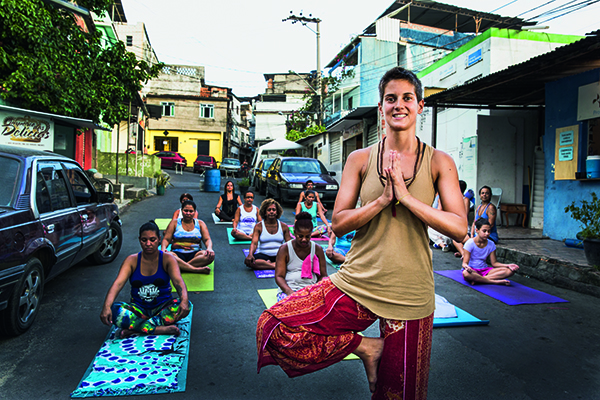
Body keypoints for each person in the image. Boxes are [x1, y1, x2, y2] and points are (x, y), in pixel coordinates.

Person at [256, 67, 467, 399]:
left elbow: (459, 226)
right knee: (276, 327)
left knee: (396, 396)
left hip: (410, 293)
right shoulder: (360, 159)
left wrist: (406, 197)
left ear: (420, 106)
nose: (399, 105)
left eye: (407, 98)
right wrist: (384, 199)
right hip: (358, 280)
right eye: (391, 98)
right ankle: (368, 348)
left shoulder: (440, 161)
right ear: (381, 107)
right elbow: (338, 222)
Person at [100, 221, 190, 338]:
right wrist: (106, 307)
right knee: (114, 309)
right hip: (139, 310)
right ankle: (157, 329)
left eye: (152, 240)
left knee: (183, 304)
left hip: (162, 308)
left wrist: (184, 300)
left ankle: (136, 328)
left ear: (158, 239)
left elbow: (178, 282)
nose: (148, 243)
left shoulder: (168, 259)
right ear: (139, 239)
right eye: (144, 240)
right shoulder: (131, 260)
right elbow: (118, 284)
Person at [275, 211, 327, 301]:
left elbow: (323, 276)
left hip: (311, 290)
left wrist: (315, 291)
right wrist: (290, 292)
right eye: (300, 236)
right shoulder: (285, 249)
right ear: (294, 232)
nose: (304, 239)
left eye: (307, 236)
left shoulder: (317, 249)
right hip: (289, 289)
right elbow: (279, 276)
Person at [162, 200, 214, 273]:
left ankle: (182, 267)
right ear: (181, 211)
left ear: (195, 212)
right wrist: (163, 249)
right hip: (177, 254)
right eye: (185, 211)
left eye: (191, 211)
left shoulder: (200, 223)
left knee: (210, 256)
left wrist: (209, 248)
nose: (188, 213)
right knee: (168, 255)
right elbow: (166, 239)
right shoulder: (174, 223)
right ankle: (194, 269)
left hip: (195, 254)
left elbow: (207, 239)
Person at [462, 218, 519, 285]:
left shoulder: (491, 244)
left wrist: (508, 265)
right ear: (477, 230)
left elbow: (494, 263)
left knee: (510, 271)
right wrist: (467, 267)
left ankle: (479, 280)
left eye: (489, 231)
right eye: (484, 231)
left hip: (485, 270)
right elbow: (464, 263)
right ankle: (494, 281)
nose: (487, 233)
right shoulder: (470, 243)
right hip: (472, 270)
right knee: (466, 274)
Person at [245, 199, 292, 270]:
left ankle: (269, 264)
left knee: (291, 261)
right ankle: (275, 265)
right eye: (269, 210)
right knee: (250, 262)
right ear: (265, 212)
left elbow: (289, 244)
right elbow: (254, 243)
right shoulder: (259, 226)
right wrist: (250, 254)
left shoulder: (283, 226)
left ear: (277, 212)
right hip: (263, 255)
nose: (271, 212)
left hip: (279, 255)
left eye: (274, 210)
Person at [453, 180, 476, 258]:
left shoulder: (465, 200)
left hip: (462, 224)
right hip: (454, 224)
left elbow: (465, 215)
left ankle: (464, 254)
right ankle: (464, 253)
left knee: (456, 239)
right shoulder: (454, 198)